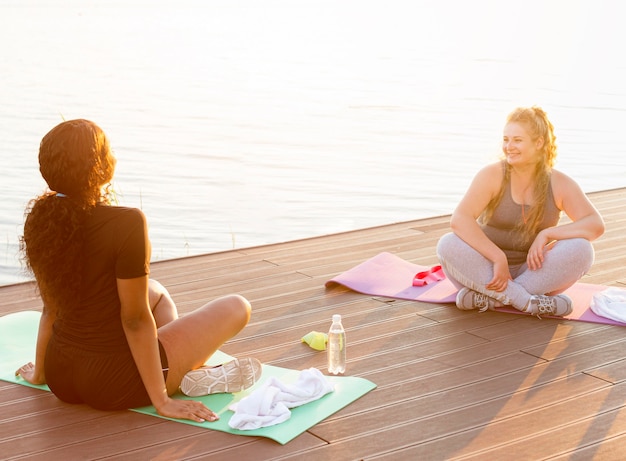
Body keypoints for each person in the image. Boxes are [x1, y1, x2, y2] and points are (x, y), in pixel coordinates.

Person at [15, 119, 261, 422]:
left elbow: (50, 307)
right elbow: (133, 319)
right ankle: (173, 379)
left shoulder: (40, 220)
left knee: (155, 292)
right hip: (113, 383)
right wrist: (161, 402)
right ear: (99, 167)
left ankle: (178, 371)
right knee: (238, 306)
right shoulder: (127, 222)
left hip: (61, 376)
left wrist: (40, 372)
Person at [436, 106, 605, 317]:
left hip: (532, 272)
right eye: (506, 139)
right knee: (447, 243)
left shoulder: (559, 183)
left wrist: (548, 234)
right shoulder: (493, 174)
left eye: (517, 140)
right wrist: (498, 258)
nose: (509, 146)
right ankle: (527, 302)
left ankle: (491, 299)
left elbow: (595, 224)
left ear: (538, 143)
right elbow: (460, 219)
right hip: (486, 269)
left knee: (582, 249)